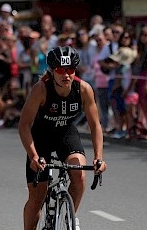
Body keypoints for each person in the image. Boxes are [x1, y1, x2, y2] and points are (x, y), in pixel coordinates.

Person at [18, 46, 107, 230]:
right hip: (41, 137)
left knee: (79, 175)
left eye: (70, 70)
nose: (65, 75)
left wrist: (99, 157)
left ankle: (70, 217)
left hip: (66, 133)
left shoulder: (83, 89)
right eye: (60, 70)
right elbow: (24, 125)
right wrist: (34, 156)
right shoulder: (41, 89)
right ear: (51, 71)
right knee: (37, 198)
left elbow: (95, 125)